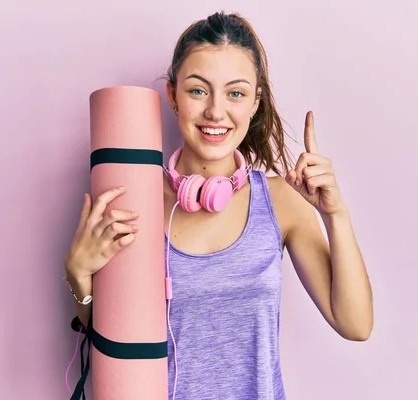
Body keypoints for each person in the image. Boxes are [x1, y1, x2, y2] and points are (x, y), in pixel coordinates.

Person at [64, 11, 374, 400]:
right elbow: (114, 341)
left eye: (236, 93)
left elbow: (356, 324)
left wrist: (335, 215)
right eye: (198, 90)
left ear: (255, 102)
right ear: (173, 96)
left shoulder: (281, 202)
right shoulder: (134, 200)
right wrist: (78, 275)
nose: (215, 111)